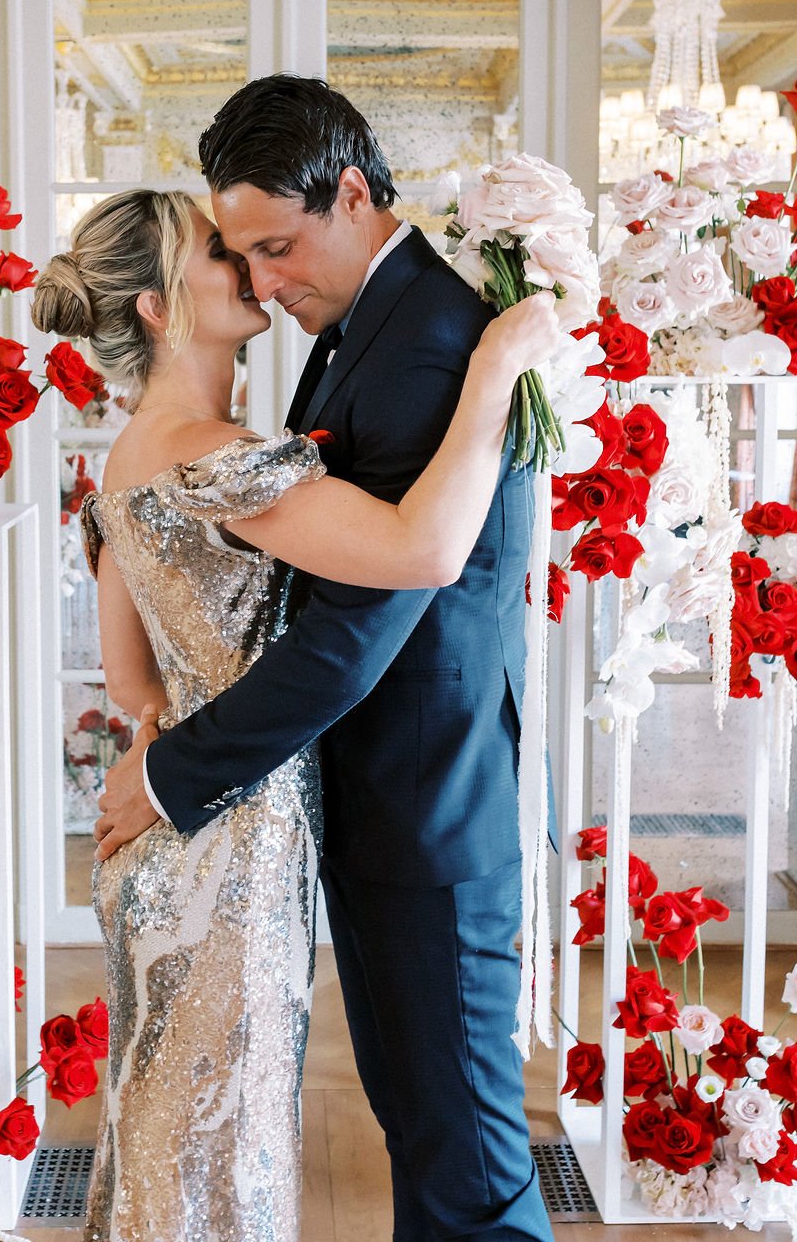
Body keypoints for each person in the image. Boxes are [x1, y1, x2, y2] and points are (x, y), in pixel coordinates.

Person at [31, 160, 559, 1241]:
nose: (252, 273)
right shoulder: (219, 457)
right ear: (155, 305)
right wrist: (495, 372)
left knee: (164, 1142)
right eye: (220, 255)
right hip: (233, 848)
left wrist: (160, 751)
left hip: (160, 852)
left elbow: (132, 683)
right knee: (225, 1165)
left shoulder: (122, 467)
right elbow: (420, 547)